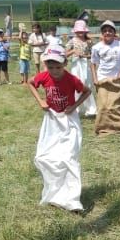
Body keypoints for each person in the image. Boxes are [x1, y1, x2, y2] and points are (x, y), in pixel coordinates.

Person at [28, 45, 91, 214]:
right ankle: (54, 193)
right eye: (50, 67)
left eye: (58, 67)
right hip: (52, 119)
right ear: (46, 66)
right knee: (46, 157)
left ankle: (72, 200)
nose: (55, 71)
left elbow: (87, 91)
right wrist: (40, 101)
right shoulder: (44, 76)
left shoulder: (71, 79)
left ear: (64, 64)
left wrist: (74, 105)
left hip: (69, 120)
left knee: (69, 157)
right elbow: (31, 83)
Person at [89, 20, 120, 135]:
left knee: (116, 105)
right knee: (103, 106)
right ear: (102, 33)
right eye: (105, 31)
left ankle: (119, 128)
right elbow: (93, 63)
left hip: (116, 79)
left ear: (114, 33)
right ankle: (103, 128)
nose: (107, 33)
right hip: (102, 79)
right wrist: (94, 78)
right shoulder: (96, 47)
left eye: (110, 31)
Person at [65, 19, 97, 117]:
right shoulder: (72, 41)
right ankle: (76, 108)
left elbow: (93, 55)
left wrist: (85, 56)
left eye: (81, 31)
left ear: (85, 31)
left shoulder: (89, 41)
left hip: (85, 64)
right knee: (76, 84)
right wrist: (73, 51)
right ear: (75, 31)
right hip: (76, 65)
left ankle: (90, 109)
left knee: (87, 84)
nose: (80, 33)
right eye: (78, 31)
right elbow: (64, 54)